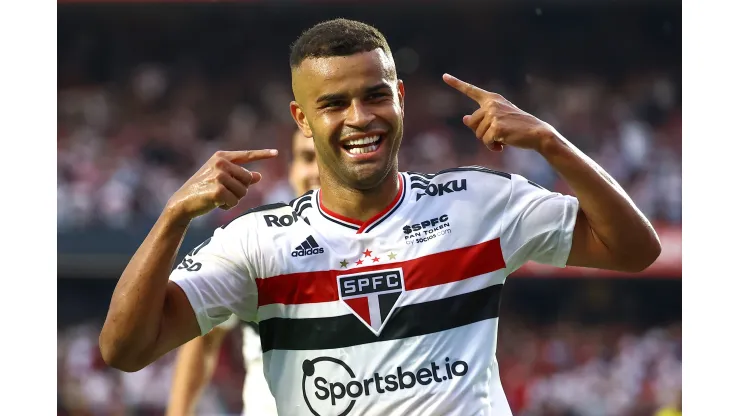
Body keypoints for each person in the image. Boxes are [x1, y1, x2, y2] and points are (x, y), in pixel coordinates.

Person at [99, 18, 661, 416]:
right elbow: (124, 350)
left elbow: (635, 251)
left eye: (375, 96)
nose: (360, 118)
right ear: (301, 118)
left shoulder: (478, 204)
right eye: (333, 104)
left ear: (400, 97)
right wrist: (173, 215)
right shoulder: (255, 244)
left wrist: (549, 142)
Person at [166, 129, 319, 416]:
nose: (317, 171)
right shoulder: (259, 243)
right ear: (291, 170)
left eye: (326, 157)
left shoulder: (387, 242)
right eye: (307, 158)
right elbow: (204, 341)